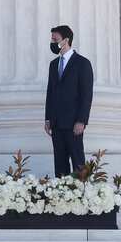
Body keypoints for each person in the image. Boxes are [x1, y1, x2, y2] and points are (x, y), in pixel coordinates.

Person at [43, 25, 94, 177]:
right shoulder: (53, 65)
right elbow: (50, 93)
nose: (52, 42)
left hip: (74, 124)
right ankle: (61, 196)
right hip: (57, 123)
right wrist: (48, 118)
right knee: (60, 163)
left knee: (78, 162)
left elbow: (86, 95)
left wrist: (82, 120)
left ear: (65, 40)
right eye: (52, 39)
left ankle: (82, 194)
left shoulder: (82, 63)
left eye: (55, 39)